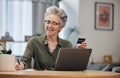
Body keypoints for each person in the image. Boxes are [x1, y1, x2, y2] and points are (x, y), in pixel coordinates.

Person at [15, 6, 87, 70]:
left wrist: (81, 53)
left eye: (54, 23)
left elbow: (73, 67)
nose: (50, 26)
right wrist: (21, 65)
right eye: (48, 22)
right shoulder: (34, 42)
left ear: (61, 27)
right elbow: (25, 61)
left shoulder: (67, 45)